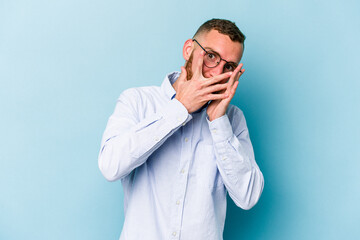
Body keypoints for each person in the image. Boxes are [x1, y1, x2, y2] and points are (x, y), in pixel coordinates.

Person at [98, 18, 264, 240]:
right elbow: (110, 166)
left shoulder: (232, 119)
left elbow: (248, 196)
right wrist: (180, 108)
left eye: (229, 67)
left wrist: (218, 122)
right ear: (188, 50)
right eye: (211, 56)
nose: (217, 74)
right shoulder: (138, 101)